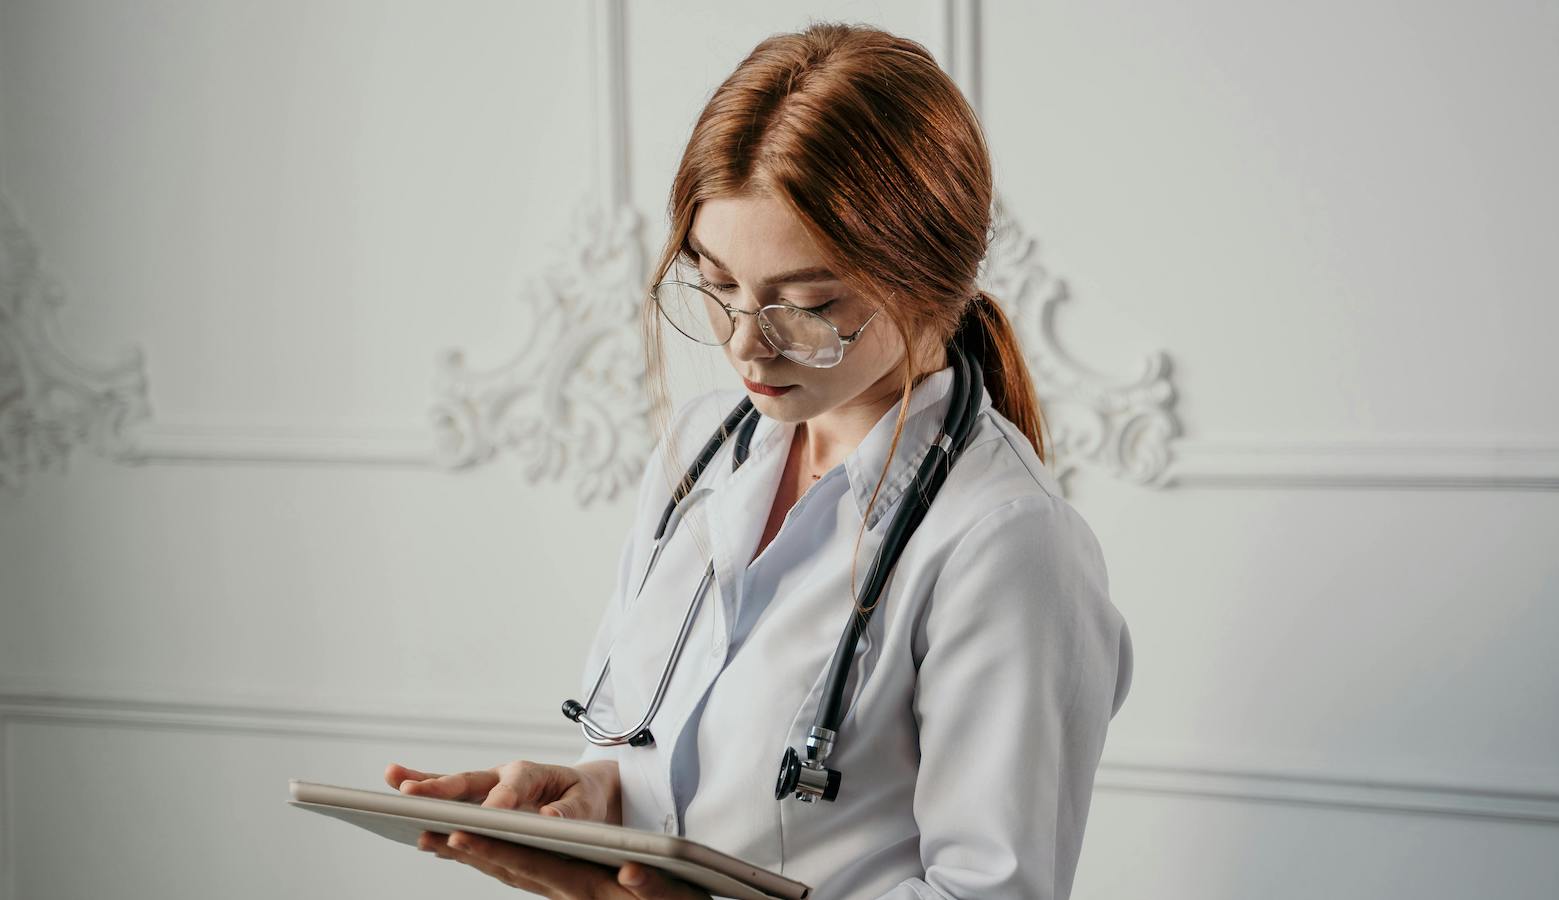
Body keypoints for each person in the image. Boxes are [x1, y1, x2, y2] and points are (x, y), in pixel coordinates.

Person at [385, 20, 1133, 899]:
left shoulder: (1007, 543)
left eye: (806, 305)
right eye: (719, 284)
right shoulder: (699, 454)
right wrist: (594, 799)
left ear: (929, 277)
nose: (745, 348)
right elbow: (666, 761)